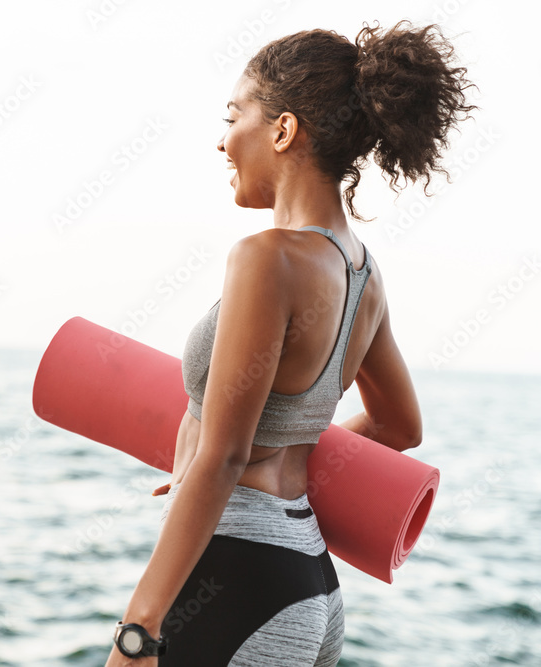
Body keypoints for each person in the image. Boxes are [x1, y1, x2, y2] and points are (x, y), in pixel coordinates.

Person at [105, 22, 473, 666]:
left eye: (233, 114)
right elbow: (399, 425)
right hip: (307, 580)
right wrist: (257, 459)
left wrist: (138, 632)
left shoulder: (267, 258)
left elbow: (224, 456)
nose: (222, 141)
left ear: (283, 130)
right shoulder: (362, 272)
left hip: (237, 574)